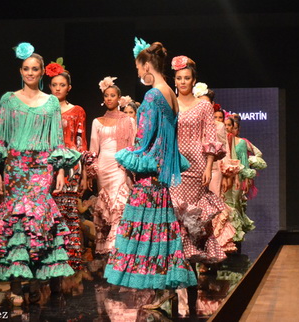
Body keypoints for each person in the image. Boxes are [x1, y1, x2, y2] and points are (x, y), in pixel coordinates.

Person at [0, 43, 81, 305]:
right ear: (20, 70)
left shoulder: (51, 102)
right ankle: (15, 284)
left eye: (35, 69)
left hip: (42, 167)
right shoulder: (8, 100)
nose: (30, 73)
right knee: (15, 220)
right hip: (16, 167)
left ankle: (36, 281)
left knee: (38, 221)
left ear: (43, 72)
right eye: (26, 69)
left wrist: (58, 171)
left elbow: (58, 141)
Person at [104, 39, 197, 307]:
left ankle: (155, 288)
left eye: (137, 67)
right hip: (160, 175)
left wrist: (130, 159)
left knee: (145, 230)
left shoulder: (153, 95)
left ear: (147, 65)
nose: (137, 73)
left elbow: (144, 139)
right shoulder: (171, 95)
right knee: (160, 231)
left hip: (148, 173)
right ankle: (160, 289)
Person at [170, 56, 235, 264]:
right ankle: (177, 260)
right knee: (175, 210)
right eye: (179, 78)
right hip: (175, 164)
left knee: (194, 214)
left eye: (186, 78)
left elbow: (209, 137)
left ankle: (192, 260)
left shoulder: (204, 106)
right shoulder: (170, 105)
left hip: (197, 165)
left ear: (193, 80)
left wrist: (208, 166)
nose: (182, 82)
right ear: (174, 80)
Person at [46, 58, 88, 272]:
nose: (58, 89)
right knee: (49, 209)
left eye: (62, 85)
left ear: (69, 88)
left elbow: (81, 142)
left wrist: (85, 172)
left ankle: (69, 257)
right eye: (54, 85)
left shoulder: (77, 110)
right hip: (48, 164)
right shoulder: (44, 109)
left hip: (71, 163)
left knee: (68, 210)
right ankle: (50, 256)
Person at [88, 76, 135, 254]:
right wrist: (91, 170)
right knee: (106, 206)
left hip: (120, 167)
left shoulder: (128, 121)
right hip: (103, 168)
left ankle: (117, 246)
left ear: (119, 98)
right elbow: (93, 150)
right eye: (106, 95)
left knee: (119, 205)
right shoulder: (97, 122)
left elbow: (133, 145)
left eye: (112, 95)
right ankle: (106, 248)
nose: (109, 98)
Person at [224, 116, 256, 242]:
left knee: (235, 205)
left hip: (237, 175)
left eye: (230, 126)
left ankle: (236, 235)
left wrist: (245, 178)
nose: (227, 128)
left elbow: (240, 160)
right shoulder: (221, 139)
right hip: (222, 176)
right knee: (226, 205)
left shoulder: (240, 142)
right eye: (225, 124)